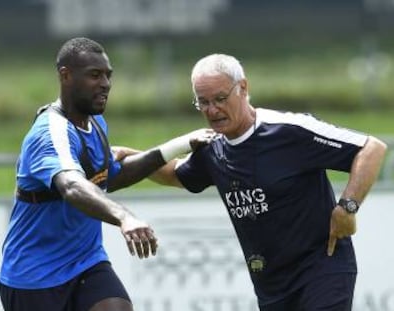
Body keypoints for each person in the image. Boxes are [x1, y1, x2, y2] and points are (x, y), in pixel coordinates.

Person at [146, 54, 387, 310]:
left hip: (322, 267)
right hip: (271, 285)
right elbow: (174, 174)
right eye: (203, 102)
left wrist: (347, 206)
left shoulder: (289, 130)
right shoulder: (211, 147)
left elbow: (372, 149)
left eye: (220, 98)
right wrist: (126, 158)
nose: (212, 110)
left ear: (243, 88)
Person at [0, 37, 214, 311]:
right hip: (35, 277)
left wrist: (181, 144)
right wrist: (125, 217)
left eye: (108, 76)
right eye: (94, 75)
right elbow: (72, 187)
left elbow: (110, 177)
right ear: (65, 76)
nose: (106, 84)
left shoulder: (95, 122)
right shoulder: (50, 132)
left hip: (86, 262)